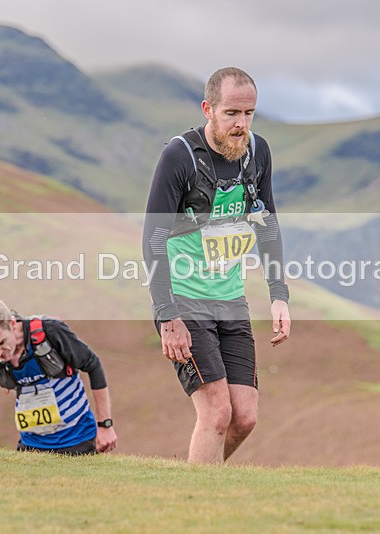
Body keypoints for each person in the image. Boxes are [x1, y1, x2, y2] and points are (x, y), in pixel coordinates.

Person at [142, 67, 291, 464]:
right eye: (231, 114)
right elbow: (153, 239)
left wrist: (279, 297)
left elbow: (267, 224)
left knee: (244, 417)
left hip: (230, 300)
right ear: (208, 109)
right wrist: (166, 315)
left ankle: (199, 477)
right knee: (216, 413)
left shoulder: (258, 153)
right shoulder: (180, 156)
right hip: (184, 301)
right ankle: (196, 505)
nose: (241, 125)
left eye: (249, 114)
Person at [0, 296, 118, 455]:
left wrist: (105, 425)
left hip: (78, 439)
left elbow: (93, 365)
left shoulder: (50, 331)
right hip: (30, 445)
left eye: (2, 343)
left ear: (12, 323)